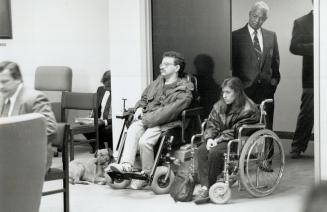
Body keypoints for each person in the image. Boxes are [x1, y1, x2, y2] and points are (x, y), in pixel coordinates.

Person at [109, 51, 193, 188]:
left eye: (166, 64)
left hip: (166, 123)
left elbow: (167, 113)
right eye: (162, 63)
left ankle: (146, 175)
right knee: (132, 129)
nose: (162, 66)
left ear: (177, 68)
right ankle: (125, 165)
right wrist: (139, 108)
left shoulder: (184, 91)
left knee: (144, 141)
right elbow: (144, 99)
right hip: (148, 118)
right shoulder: (157, 82)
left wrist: (145, 119)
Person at [194, 77, 260, 204]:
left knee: (214, 152)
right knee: (201, 150)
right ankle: (205, 187)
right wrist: (209, 139)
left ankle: (210, 186)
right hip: (220, 139)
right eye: (223, 92)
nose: (224, 96)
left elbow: (237, 130)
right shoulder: (219, 106)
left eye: (228, 92)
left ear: (237, 92)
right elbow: (212, 124)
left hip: (237, 141)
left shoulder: (248, 109)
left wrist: (217, 140)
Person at [232, 1, 280, 133]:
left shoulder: (271, 36)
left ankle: (268, 154)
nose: (257, 21)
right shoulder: (235, 37)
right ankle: (246, 154)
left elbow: (275, 64)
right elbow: (232, 67)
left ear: (265, 19)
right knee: (243, 129)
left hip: (266, 91)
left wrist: (273, 84)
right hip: (244, 92)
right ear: (249, 14)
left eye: (262, 18)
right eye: (255, 16)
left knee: (267, 128)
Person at [0, 61, 57, 172]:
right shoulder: (3, 97)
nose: (0, 86)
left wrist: (16, 146)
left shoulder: (35, 98)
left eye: (4, 82)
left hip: (31, 156)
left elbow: (50, 130)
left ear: (18, 80)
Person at [289, 9, 313, 159]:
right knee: (307, 112)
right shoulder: (301, 22)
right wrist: (317, 45)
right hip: (312, 77)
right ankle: (297, 147)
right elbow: (294, 46)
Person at [84, 70, 112, 153]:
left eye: (108, 86)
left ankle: (104, 151)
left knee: (107, 130)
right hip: (100, 120)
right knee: (86, 127)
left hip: (111, 123)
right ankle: (100, 150)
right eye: (104, 85)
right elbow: (96, 108)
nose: (105, 88)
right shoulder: (101, 90)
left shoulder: (121, 94)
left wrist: (105, 122)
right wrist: (91, 118)